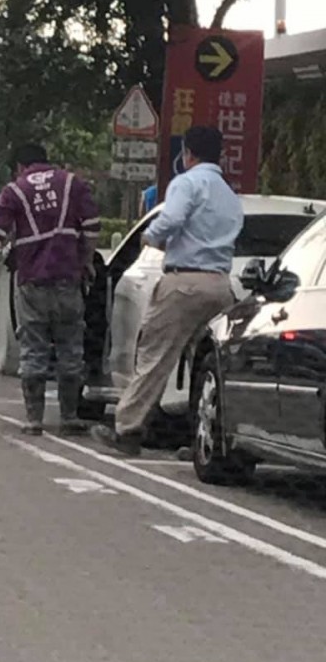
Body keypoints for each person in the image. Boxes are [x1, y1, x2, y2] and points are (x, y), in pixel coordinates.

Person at [92, 126, 244, 456]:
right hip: (220, 285)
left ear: (188, 152)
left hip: (183, 282)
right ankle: (206, 439)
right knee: (207, 366)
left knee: (154, 356)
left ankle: (128, 430)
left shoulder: (187, 183)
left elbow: (171, 218)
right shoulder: (229, 194)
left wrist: (151, 236)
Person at [0, 143, 101, 436]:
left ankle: (34, 419)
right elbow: (91, 228)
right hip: (68, 281)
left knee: (33, 348)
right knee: (70, 349)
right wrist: (85, 262)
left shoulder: (15, 191)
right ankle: (68, 416)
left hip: (32, 283)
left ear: (19, 168)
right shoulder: (72, 183)